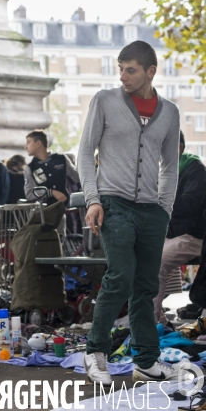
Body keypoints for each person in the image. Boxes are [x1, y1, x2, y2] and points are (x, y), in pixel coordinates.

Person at [78, 41, 180, 384]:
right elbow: (84, 153)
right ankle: (96, 352)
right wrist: (93, 198)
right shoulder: (104, 101)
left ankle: (146, 361)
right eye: (120, 68)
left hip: (152, 211)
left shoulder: (170, 112)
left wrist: (164, 208)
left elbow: (170, 166)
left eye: (131, 69)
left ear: (151, 71)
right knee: (119, 277)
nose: (123, 76)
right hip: (114, 205)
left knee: (145, 286)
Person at [153, 131, 206, 324]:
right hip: (175, 234)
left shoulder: (195, 170)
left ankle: (152, 321)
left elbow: (190, 205)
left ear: (178, 148)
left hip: (194, 236)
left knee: (155, 261)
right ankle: (152, 316)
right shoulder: (167, 172)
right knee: (141, 255)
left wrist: (160, 200)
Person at [24, 130, 79, 206]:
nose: (25, 147)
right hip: (44, 211)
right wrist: (51, 192)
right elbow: (30, 194)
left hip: (64, 208)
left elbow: (78, 178)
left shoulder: (61, 159)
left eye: (28, 142)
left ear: (38, 143)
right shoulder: (30, 168)